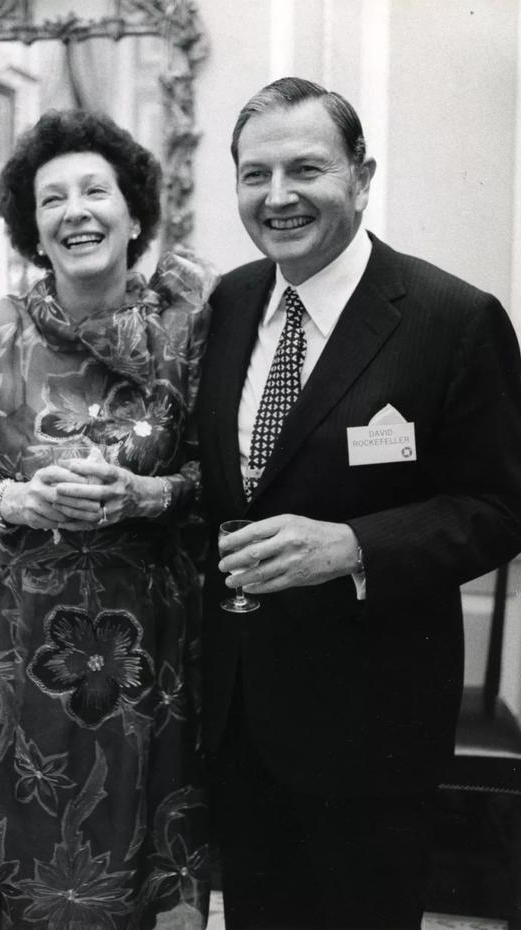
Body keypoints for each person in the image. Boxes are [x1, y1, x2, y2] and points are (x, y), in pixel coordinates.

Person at [197, 77, 521, 930]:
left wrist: (353, 547)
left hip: (373, 730)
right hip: (242, 714)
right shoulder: (227, 303)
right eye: (255, 175)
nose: (278, 196)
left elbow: (500, 505)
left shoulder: (452, 318)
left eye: (306, 169)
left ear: (362, 177)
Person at [0, 108, 216, 930]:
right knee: (10, 865)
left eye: (95, 191)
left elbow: (232, 477)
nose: (76, 212)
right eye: (52, 199)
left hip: (152, 641)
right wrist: (13, 499)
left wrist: (149, 495)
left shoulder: (191, 331)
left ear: (134, 214)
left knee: (134, 857)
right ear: (33, 229)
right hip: (18, 644)